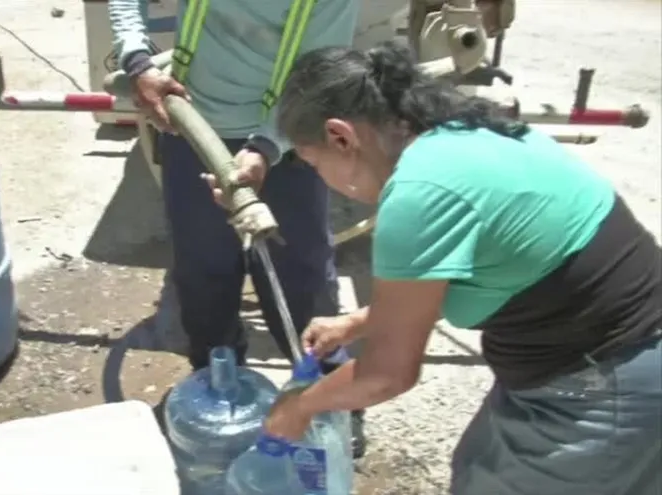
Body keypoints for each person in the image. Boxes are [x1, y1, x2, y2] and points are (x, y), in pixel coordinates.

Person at [206, 41, 661, 494]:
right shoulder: (470, 134)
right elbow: (495, 267)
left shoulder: (418, 194)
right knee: (476, 466)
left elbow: (388, 373)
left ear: (341, 137)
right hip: (599, 358)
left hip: (608, 379)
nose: (320, 176)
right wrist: (357, 323)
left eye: (312, 162)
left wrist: (299, 407)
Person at [108, 0, 372, 455]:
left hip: (290, 139)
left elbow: (320, 81)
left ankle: (332, 404)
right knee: (204, 275)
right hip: (192, 127)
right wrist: (137, 60)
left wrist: (267, 146)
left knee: (303, 283)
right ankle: (218, 390)